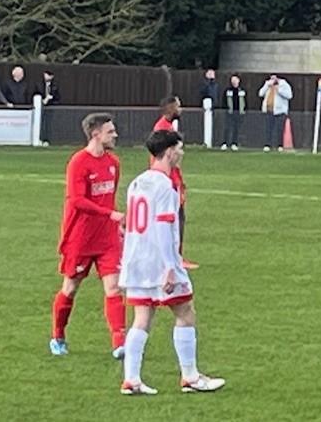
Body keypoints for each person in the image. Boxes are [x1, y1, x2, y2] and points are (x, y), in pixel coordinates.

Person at [117, 128, 225, 395]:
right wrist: (170, 267)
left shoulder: (137, 182)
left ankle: (131, 379)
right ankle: (190, 376)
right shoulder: (166, 186)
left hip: (136, 260)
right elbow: (164, 228)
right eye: (179, 148)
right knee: (186, 312)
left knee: (142, 317)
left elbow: (131, 224)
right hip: (159, 260)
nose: (182, 153)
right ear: (168, 152)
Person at [50, 113, 127, 358]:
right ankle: (58, 336)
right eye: (110, 131)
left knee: (114, 288)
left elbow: (109, 197)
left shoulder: (113, 162)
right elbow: (78, 201)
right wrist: (110, 214)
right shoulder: (78, 163)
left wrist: (116, 223)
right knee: (70, 288)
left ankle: (119, 343)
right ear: (96, 134)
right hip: (81, 238)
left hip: (107, 237)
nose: (115, 135)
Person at [152, 98, 196, 270]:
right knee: (175, 216)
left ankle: (176, 255)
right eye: (177, 105)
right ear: (169, 108)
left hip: (173, 177)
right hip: (168, 178)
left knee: (179, 215)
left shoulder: (167, 126)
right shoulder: (162, 128)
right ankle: (174, 256)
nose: (180, 109)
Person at [259, 74, 292, 151]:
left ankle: (279, 145)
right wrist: (267, 86)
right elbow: (260, 93)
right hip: (269, 110)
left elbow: (289, 96)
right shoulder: (268, 84)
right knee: (268, 128)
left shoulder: (284, 85)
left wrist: (279, 90)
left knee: (279, 129)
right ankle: (267, 144)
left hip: (280, 111)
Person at [220, 74, 247, 151]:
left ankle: (234, 143)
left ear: (238, 80)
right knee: (228, 128)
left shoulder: (242, 90)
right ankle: (225, 143)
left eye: (235, 79)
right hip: (230, 112)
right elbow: (224, 101)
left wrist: (243, 110)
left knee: (236, 128)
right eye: (232, 80)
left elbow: (245, 101)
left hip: (239, 112)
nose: (234, 81)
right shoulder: (228, 90)